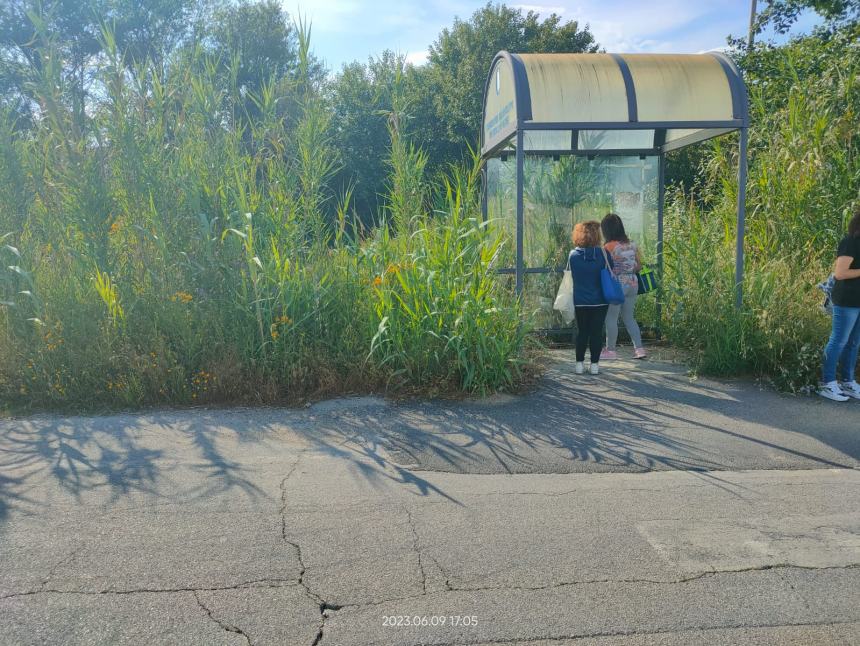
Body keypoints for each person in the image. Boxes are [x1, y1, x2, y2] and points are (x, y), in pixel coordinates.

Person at [819, 210, 860, 401]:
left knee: (853, 343)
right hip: (846, 299)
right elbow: (840, 273)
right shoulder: (850, 242)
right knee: (839, 341)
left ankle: (847, 382)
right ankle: (827, 383)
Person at [600, 213, 646, 360]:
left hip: (617, 285)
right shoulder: (632, 244)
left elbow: (604, 267)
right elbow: (639, 266)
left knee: (611, 318)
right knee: (629, 318)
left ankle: (611, 351)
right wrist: (628, 270)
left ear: (606, 230)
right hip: (633, 283)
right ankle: (639, 349)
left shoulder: (607, 247)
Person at [569, 221, 611, 375]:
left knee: (582, 332)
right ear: (597, 235)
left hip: (580, 301)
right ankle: (594, 366)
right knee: (596, 332)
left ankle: (579, 365)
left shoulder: (573, 255)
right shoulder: (604, 254)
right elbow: (611, 270)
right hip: (600, 300)